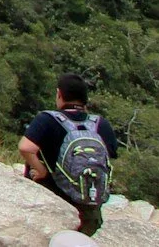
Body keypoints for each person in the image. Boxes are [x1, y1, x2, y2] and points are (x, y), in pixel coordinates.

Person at [21, 73, 120, 234]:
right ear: (85, 99)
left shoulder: (47, 119)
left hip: (52, 204)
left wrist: (41, 171)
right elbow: (108, 157)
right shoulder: (101, 124)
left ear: (59, 94)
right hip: (88, 206)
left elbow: (26, 148)